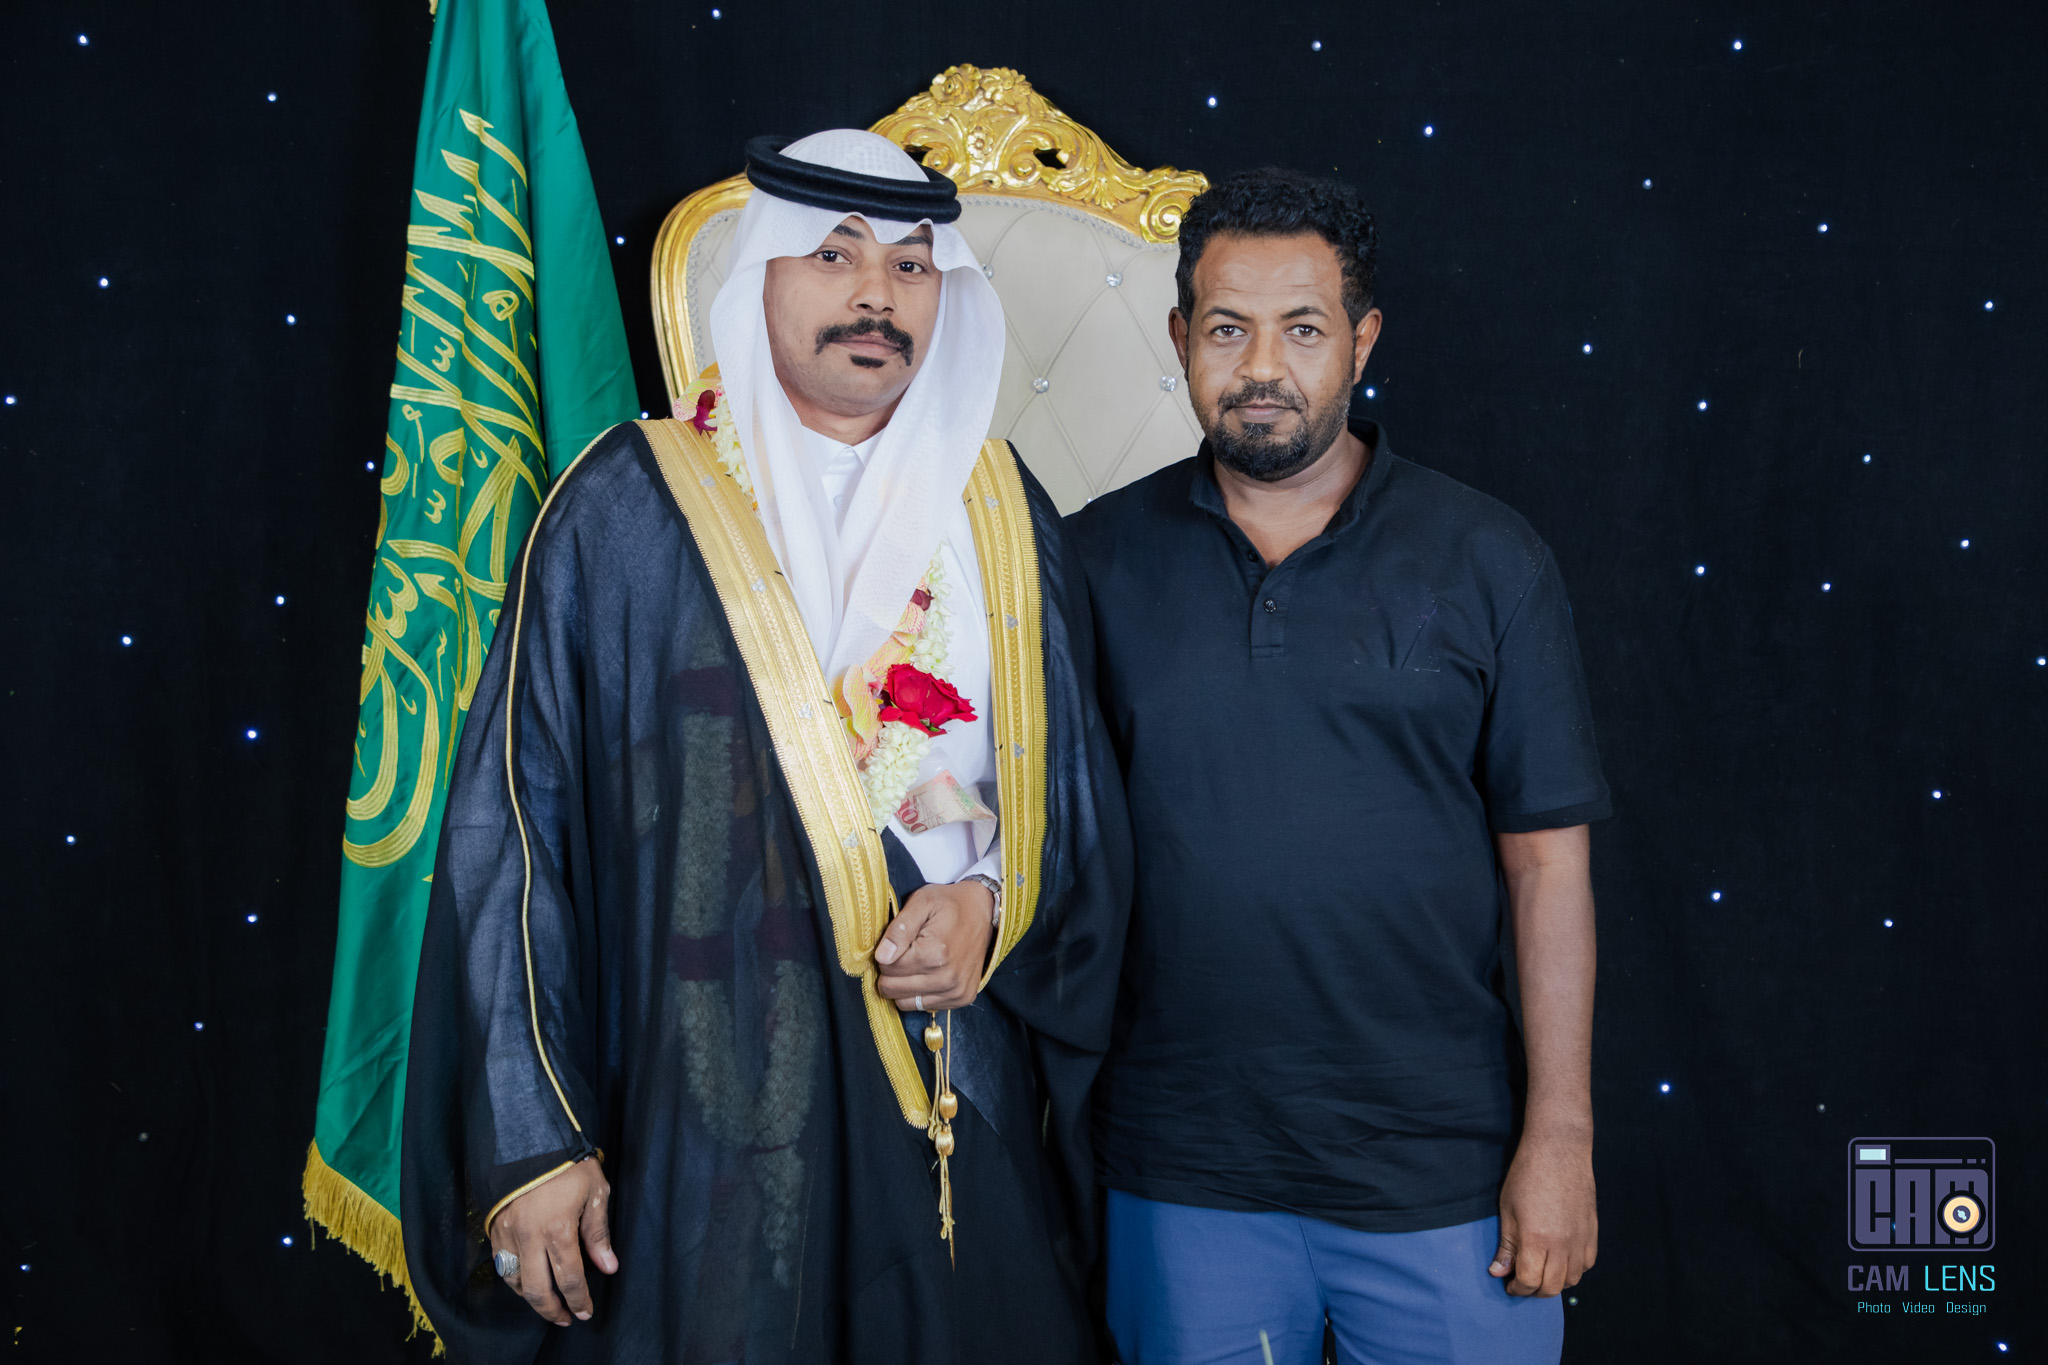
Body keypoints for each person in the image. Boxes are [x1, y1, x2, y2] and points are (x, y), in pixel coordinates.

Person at [401, 129, 1130, 1364]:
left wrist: (989, 902)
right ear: (762, 277)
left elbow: (1077, 797)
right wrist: (534, 1137)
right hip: (698, 1100)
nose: (876, 295)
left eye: (910, 266)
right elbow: (511, 832)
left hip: (951, 1076)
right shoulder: (626, 508)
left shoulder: (1003, 511)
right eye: (834, 255)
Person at [1068, 168, 1608, 1365]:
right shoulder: (1090, 561)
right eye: (1226, 329)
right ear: (1179, 338)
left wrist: (1559, 1138)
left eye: (1302, 329)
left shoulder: (1487, 557)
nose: (1261, 366)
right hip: (1180, 1171)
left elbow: (1545, 871)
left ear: (1360, 341)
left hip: (1444, 1170)